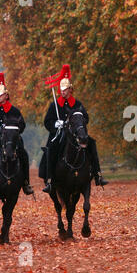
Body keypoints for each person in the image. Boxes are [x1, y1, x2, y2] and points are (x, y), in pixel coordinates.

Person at [39, 64, 108, 193]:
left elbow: (86, 118)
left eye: (65, 89)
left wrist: (79, 124)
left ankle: (97, 174)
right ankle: (49, 180)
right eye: (61, 89)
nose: (62, 92)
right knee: (50, 149)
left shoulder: (77, 104)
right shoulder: (54, 105)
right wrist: (56, 124)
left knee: (92, 144)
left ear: (70, 89)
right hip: (59, 134)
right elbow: (47, 121)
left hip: (76, 134)